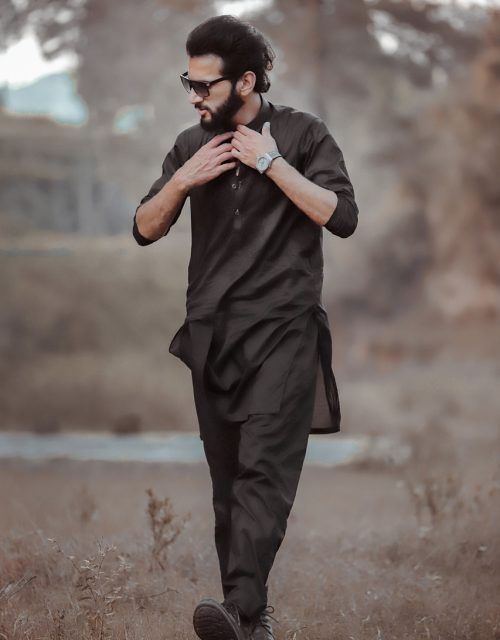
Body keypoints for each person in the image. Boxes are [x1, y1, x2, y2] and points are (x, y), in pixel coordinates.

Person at [133, 14, 359, 640]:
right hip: (213, 336)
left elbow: (341, 217)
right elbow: (144, 228)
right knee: (228, 487)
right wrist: (184, 180)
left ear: (247, 81)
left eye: (204, 85)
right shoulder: (190, 145)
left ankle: (235, 609)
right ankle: (249, 623)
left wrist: (273, 164)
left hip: (285, 330)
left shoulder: (304, 134)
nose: (193, 96)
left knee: (264, 473)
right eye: (188, 83)